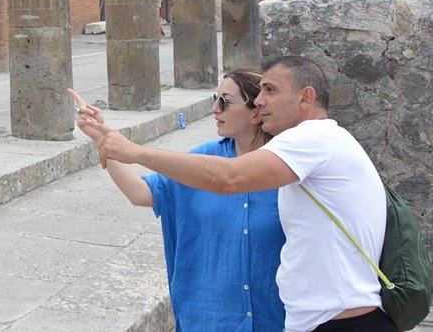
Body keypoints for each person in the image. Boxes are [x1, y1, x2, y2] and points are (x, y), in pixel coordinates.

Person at [78, 56, 389, 332]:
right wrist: (103, 140)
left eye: (270, 92)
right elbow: (144, 192)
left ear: (305, 97)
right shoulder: (221, 158)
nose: (261, 103)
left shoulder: (307, 146)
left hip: (319, 320)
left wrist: (133, 150)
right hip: (255, 319)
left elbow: (229, 178)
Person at [74, 69, 285, 331]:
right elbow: (140, 193)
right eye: (214, 98)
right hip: (210, 319)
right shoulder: (204, 158)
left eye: (225, 102)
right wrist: (101, 138)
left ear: (255, 111)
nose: (214, 109)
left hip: (275, 319)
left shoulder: (285, 166)